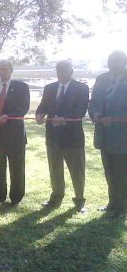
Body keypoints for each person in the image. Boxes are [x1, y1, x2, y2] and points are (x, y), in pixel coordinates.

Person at [36, 60, 89, 213]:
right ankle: (56, 197)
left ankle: (79, 200)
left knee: (77, 171)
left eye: (64, 71)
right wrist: (39, 114)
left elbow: (80, 111)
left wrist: (64, 119)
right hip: (53, 137)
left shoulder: (82, 88)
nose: (61, 74)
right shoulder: (49, 88)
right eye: (59, 71)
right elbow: (43, 106)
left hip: (73, 138)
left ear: (71, 71)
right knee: (55, 169)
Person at [0, 60, 30, 205]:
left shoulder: (22, 87)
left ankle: (16, 198)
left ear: (11, 70)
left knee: (16, 166)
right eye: (0, 69)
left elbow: (24, 107)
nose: (2, 72)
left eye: (4, 69)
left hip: (15, 135)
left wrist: (8, 115)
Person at [89, 50, 127, 218]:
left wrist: (115, 119)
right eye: (110, 62)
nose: (113, 65)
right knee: (109, 172)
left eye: (117, 62)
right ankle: (112, 203)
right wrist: (95, 114)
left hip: (122, 137)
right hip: (103, 136)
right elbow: (94, 102)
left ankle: (122, 208)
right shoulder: (102, 79)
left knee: (122, 174)